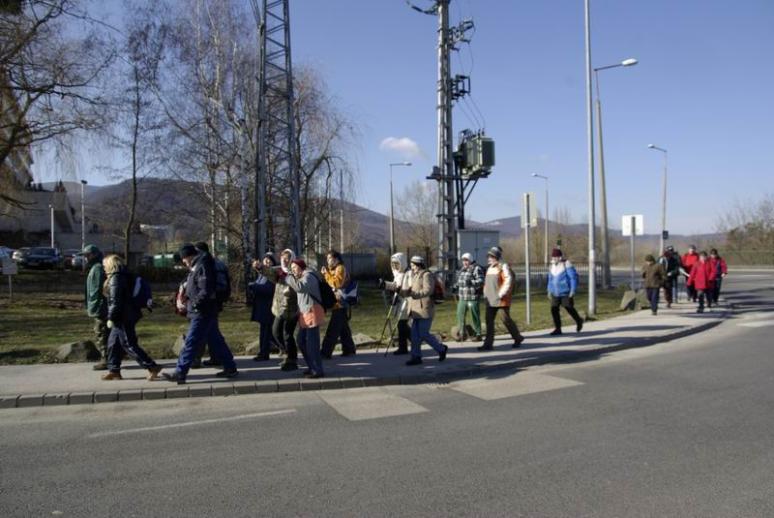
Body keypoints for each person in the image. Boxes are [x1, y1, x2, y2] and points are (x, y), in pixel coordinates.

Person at [163, 244, 238, 384]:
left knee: (191, 342)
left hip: (202, 311)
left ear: (190, 256)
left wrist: (196, 304)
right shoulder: (198, 265)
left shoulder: (201, 266)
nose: (183, 262)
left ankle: (180, 372)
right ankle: (230, 367)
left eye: (184, 259)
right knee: (216, 341)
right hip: (206, 310)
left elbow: (205, 290)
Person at [100, 254, 161, 381]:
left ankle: (152, 366)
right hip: (126, 314)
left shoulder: (116, 278)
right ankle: (114, 370)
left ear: (111, 265)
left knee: (129, 344)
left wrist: (111, 317)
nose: (104, 267)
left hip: (123, 316)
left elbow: (116, 301)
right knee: (113, 344)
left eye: (105, 265)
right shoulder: (125, 276)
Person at [281, 258, 325, 378]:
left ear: (302, 267)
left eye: (295, 267)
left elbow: (301, 287)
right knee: (301, 341)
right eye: (292, 268)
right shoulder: (302, 277)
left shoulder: (309, 276)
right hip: (305, 313)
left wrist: (288, 277)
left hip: (312, 312)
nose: (293, 270)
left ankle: (317, 370)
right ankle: (312, 367)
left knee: (312, 344)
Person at [401, 256, 448, 366]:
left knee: (423, 334)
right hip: (415, 309)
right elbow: (412, 290)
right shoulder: (415, 275)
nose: (412, 268)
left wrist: (414, 294)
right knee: (414, 335)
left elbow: (428, 290)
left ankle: (441, 349)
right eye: (411, 266)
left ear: (418, 265)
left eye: (413, 265)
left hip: (425, 310)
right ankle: (416, 357)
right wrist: (403, 291)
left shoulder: (427, 275)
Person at [480, 246, 524, 351]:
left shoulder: (503, 267)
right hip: (490, 300)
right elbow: (487, 284)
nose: (489, 258)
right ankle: (488, 344)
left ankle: (517, 338)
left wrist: (500, 294)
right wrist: (485, 293)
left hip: (501, 300)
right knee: (489, 322)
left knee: (505, 319)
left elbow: (508, 282)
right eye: (489, 256)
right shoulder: (489, 268)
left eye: (491, 257)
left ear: (496, 257)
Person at [320, 250, 357, 358]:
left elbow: (336, 283)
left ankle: (325, 352)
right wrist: (327, 273)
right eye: (327, 259)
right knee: (343, 328)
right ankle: (349, 349)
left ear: (336, 259)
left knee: (333, 329)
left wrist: (326, 274)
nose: (328, 261)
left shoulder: (340, 268)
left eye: (329, 258)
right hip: (338, 303)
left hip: (341, 303)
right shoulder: (334, 270)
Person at [83, 244, 109, 370]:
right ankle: (109, 358)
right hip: (98, 306)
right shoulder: (95, 268)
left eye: (88, 255)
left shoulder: (98, 268)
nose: (86, 258)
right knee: (102, 333)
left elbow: (100, 289)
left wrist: (97, 305)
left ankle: (106, 359)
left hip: (101, 308)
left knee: (102, 333)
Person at [380, 252, 412, 355]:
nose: (395, 266)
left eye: (397, 264)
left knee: (402, 325)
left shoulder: (408, 274)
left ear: (402, 263)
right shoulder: (397, 275)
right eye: (393, 264)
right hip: (398, 302)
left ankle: (407, 346)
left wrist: (401, 291)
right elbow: (395, 286)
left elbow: (409, 289)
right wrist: (385, 284)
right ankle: (407, 346)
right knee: (401, 326)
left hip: (405, 303)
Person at [547, 248, 584, 334]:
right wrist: (549, 290)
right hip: (555, 293)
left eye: (556, 257)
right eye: (553, 257)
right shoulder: (551, 266)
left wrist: (573, 290)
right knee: (554, 310)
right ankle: (558, 328)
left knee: (569, 308)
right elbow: (550, 279)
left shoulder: (566, 264)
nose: (554, 258)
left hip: (565, 292)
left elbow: (573, 278)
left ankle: (579, 320)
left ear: (560, 257)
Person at [249, 253, 277, 362]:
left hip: (268, 306)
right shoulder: (262, 274)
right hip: (262, 306)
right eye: (265, 260)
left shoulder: (272, 274)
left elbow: (269, 289)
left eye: (270, 261)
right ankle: (264, 352)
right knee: (266, 331)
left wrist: (254, 286)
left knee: (267, 332)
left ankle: (264, 353)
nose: (267, 263)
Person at [454, 252, 484, 341]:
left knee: (474, 315)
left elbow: (481, 280)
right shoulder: (462, 269)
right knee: (460, 315)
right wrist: (455, 286)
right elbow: (459, 281)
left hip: (472, 297)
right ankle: (462, 333)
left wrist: (472, 282)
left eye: (466, 260)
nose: (465, 262)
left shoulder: (476, 268)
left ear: (470, 260)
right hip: (462, 297)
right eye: (463, 260)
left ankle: (478, 333)